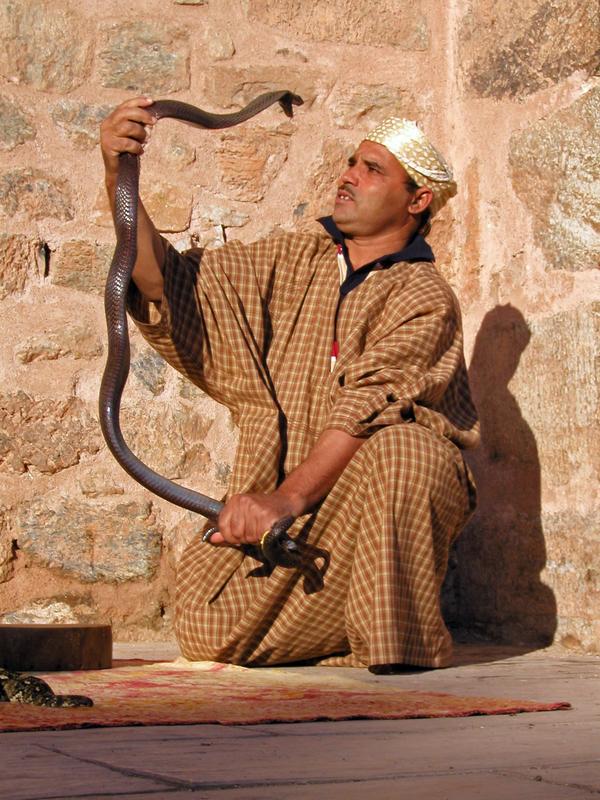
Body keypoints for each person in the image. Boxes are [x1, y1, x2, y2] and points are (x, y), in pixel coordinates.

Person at [100, 98, 479, 671]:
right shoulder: (293, 258)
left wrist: (286, 498)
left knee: (408, 452)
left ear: (417, 200)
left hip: (365, 500)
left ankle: (397, 649)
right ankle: (351, 624)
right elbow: (168, 285)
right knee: (204, 627)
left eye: (373, 170)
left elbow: (368, 407)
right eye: (353, 162)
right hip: (293, 508)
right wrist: (116, 171)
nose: (349, 175)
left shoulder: (423, 296)